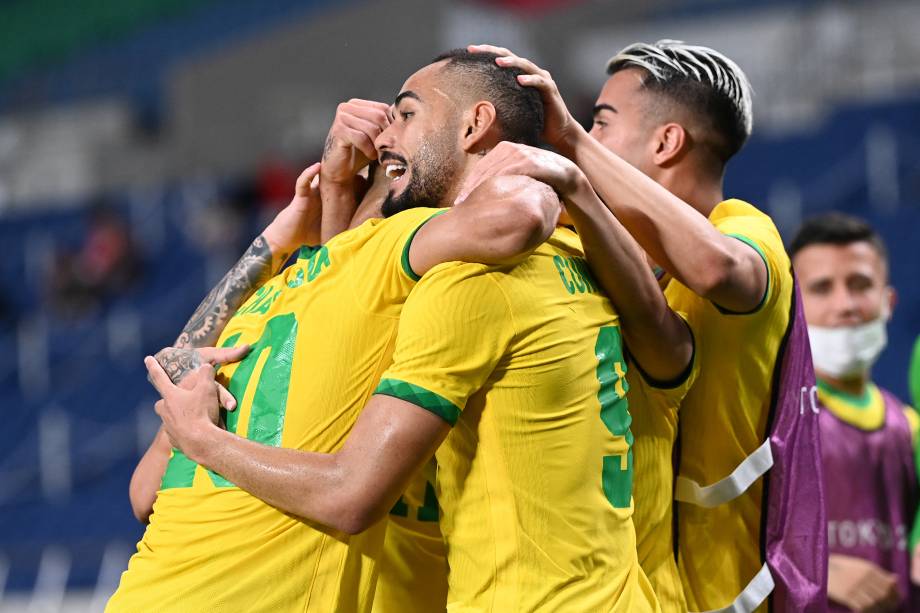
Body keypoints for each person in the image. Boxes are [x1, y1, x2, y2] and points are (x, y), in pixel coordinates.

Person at [138, 49, 698, 611]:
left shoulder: (464, 282)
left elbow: (349, 488)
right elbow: (349, 291)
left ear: (475, 124)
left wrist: (204, 439)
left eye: (405, 115)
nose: (384, 135)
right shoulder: (604, 269)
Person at [108, 74, 564, 611]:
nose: (385, 129)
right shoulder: (306, 284)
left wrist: (323, 201)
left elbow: (145, 490)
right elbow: (147, 487)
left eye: (406, 115)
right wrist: (311, 210)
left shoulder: (354, 268)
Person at [464, 40, 826, 611]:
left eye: (600, 123)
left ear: (666, 141)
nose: (586, 136)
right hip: (632, 589)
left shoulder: (744, 231)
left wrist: (572, 146)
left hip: (728, 595)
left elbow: (716, 267)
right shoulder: (615, 254)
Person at [791, 213, 919, 613]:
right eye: (822, 288)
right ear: (792, 304)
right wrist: (816, 568)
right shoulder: (769, 418)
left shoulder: (911, 430)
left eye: (860, 285)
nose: (845, 304)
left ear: (888, 302)